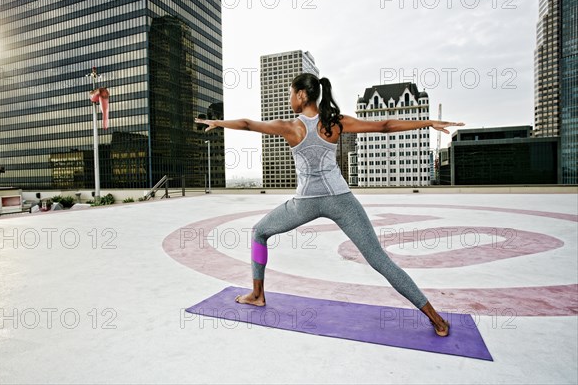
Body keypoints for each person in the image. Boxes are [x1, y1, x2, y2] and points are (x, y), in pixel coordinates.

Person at [195, 73, 464, 336]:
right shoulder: (335, 123)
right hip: (341, 200)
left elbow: (246, 124)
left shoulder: (290, 127)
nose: (290, 98)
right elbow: (384, 126)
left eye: (291, 93)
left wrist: (218, 122)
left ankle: (257, 294)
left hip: (305, 203)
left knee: (259, 232)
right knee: (380, 260)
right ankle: (437, 320)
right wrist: (428, 122)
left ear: (302, 95)